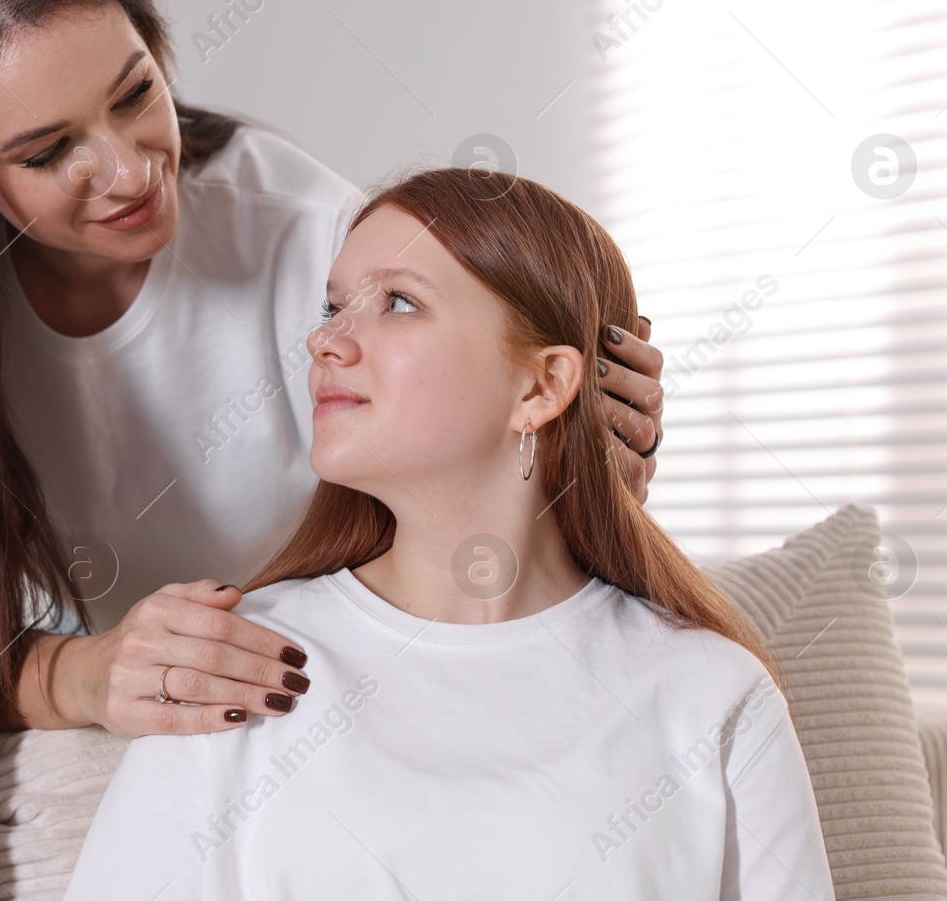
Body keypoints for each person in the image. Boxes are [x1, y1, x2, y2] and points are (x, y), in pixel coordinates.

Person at [0, 0, 668, 739]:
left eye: (136, 93)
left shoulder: (305, 229)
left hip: (344, 673)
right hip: (156, 705)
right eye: (48, 151)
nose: (127, 170)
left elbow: (482, 485)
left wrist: (582, 460)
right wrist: (92, 675)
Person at [62, 167, 834, 900]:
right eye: (333, 307)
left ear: (541, 384)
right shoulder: (232, 664)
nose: (325, 341)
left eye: (398, 302)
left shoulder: (712, 695)